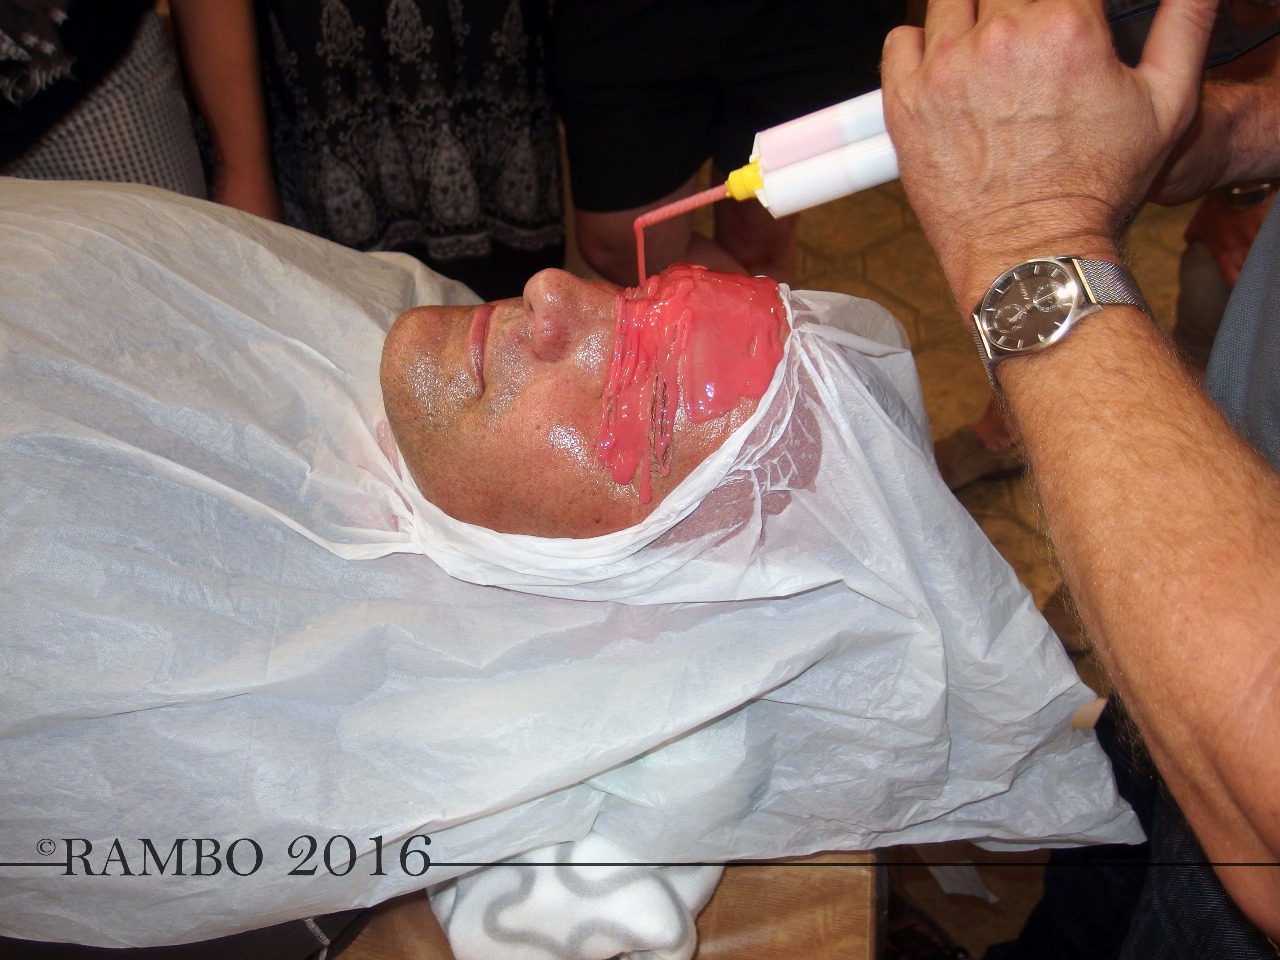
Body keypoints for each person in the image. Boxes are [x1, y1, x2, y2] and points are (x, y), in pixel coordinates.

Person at [0, 178, 1137, 952]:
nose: (551, 292)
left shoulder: (519, 728)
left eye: (631, 400)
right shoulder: (384, 313)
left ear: (648, 577)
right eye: (633, 298)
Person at [881, 0, 1280, 951]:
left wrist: (1028, 231)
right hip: (1203, 560)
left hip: (1246, 732)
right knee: (1100, 863)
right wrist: (1238, 133)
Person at [548, 0, 903, 286]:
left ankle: (765, 346)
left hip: (813, 17)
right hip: (627, 21)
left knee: (759, 242)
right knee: (620, 243)